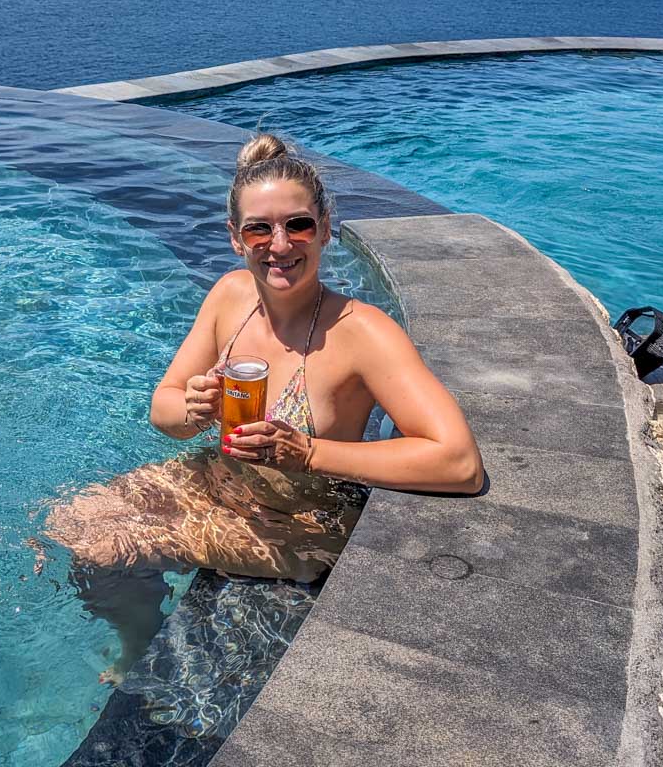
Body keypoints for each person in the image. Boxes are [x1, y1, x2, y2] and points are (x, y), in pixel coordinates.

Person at [36, 133, 484, 680]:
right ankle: (142, 632)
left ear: (325, 229)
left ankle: (139, 653)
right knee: (71, 521)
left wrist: (309, 453)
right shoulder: (230, 296)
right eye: (259, 229)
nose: (280, 244)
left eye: (298, 225)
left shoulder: (363, 332)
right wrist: (194, 409)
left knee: (111, 547)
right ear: (235, 237)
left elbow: (458, 463)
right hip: (220, 479)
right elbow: (163, 408)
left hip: (299, 515)